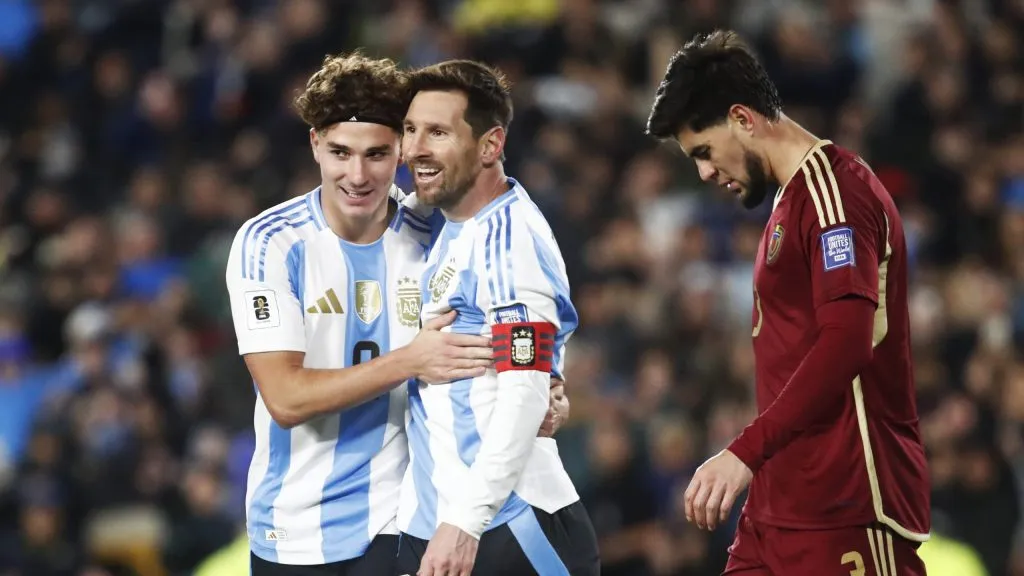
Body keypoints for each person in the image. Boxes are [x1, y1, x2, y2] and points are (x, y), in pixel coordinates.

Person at [224, 53, 568, 576]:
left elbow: (518, 299)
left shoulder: (434, 232)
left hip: (398, 520)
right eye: (340, 152)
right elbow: (286, 398)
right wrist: (410, 360)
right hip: (292, 527)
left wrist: (550, 381)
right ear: (315, 143)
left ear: (402, 151)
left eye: (378, 154)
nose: (357, 175)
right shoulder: (270, 243)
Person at [644, 30, 930, 575]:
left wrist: (744, 451)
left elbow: (846, 343)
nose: (703, 172)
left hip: (846, 504)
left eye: (704, 151)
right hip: (779, 508)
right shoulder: (789, 200)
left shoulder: (835, 194)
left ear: (743, 119)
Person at [394, 59, 600, 576]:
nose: (415, 148)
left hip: (507, 525)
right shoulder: (454, 226)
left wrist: (467, 520)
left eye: (438, 132)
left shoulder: (507, 241)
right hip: (450, 521)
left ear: (490, 146)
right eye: (411, 130)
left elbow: (524, 390)